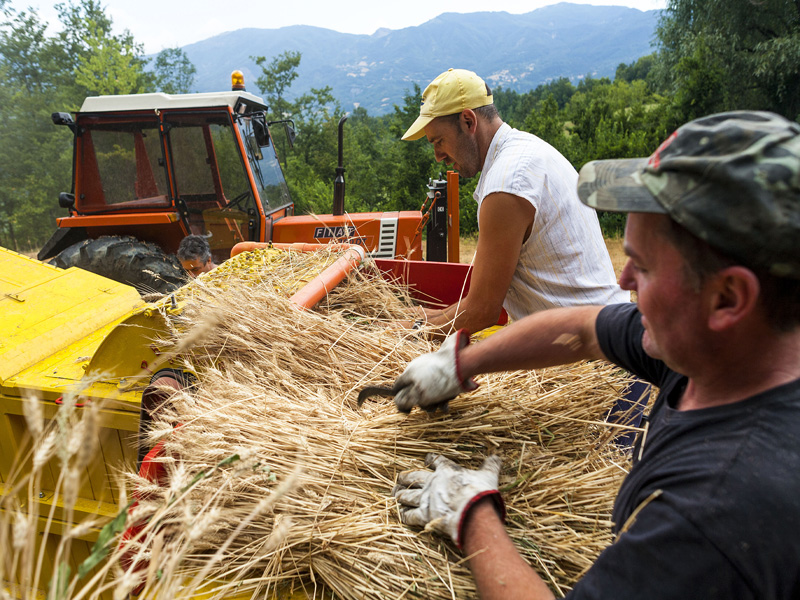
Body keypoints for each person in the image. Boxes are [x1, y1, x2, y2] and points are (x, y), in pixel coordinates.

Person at [390, 110, 800, 599]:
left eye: (643, 269)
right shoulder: (724, 352)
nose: (623, 282)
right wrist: (460, 363)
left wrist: (472, 516)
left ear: (728, 298)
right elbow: (585, 328)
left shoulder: (717, 513)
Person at [400, 68, 628, 335]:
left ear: (468, 121)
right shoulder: (526, 151)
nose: (438, 155)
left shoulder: (506, 183)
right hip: (604, 334)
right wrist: (430, 316)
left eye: (439, 140)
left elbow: (481, 311)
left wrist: (409, 331)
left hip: (590, 357)